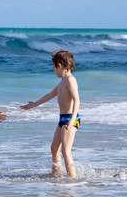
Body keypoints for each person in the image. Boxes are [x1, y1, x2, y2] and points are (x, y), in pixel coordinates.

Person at [20, 50, 80, 178]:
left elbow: (77, 100)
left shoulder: (70, 80)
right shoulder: (62, 82)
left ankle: (72, 179)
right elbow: (49, 95)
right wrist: (34, 104)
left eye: (53, 67)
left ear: (59, 66)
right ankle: (56, 175)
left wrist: (73, 119)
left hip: (70, 119)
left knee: (66, 151)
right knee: (54, 149)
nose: (54, 70)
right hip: (63, 119)